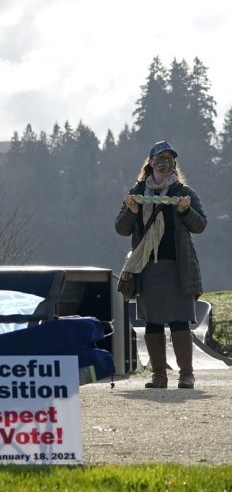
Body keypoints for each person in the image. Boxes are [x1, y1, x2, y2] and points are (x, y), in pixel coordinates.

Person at [115, 140, 206, 389]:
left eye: (169, 158)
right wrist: (132, 210)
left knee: (179, 321)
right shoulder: (137, 193)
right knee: (152, 322)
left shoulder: (183, 192)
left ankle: (186, 374)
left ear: (174, 163)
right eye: (160, 157)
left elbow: (200, 225)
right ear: (151, 162)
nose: (165, 162)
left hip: (178, 266)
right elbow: (121, 229)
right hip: (147, 268)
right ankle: (159, 376)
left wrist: (186, 211)